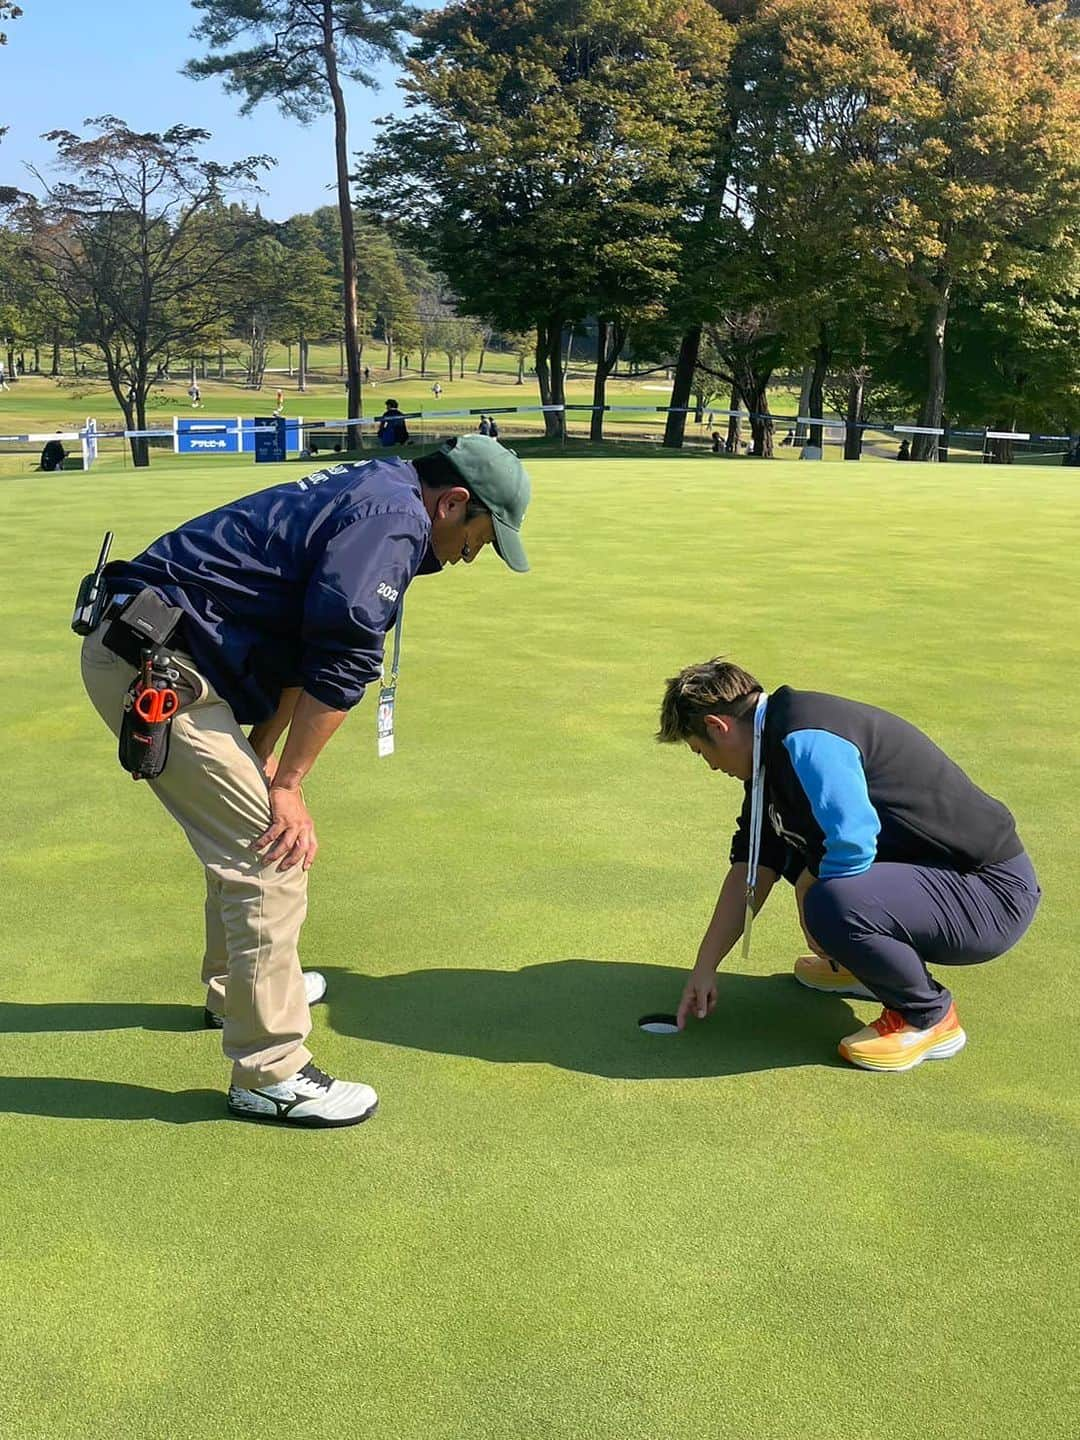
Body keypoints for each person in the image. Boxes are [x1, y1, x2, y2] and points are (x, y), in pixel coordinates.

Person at [80, 435, 531, 1127]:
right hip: (156, 669)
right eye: (481, 535)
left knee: (253, 832)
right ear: (454, 503)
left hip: (166, 653)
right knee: (271, 852)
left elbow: (301, 643)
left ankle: (237, 990)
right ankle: (270, 1072)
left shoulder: (382, 488)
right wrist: (288, 788)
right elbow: (344, 648)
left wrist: (266, 753)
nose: (474, 554)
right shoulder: (393, 519)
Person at [659, 659, 1040, 1073]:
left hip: (991, 895)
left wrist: (807, 890)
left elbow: (854, 844)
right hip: (944, 884)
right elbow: (753, 866)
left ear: (718, 727)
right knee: (800, 855)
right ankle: (864, 968)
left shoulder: (804, 737)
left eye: (701, 753)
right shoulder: (767, 757)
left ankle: (927, 1017)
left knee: (831, 898)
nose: (712, 767)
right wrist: (705, 966)